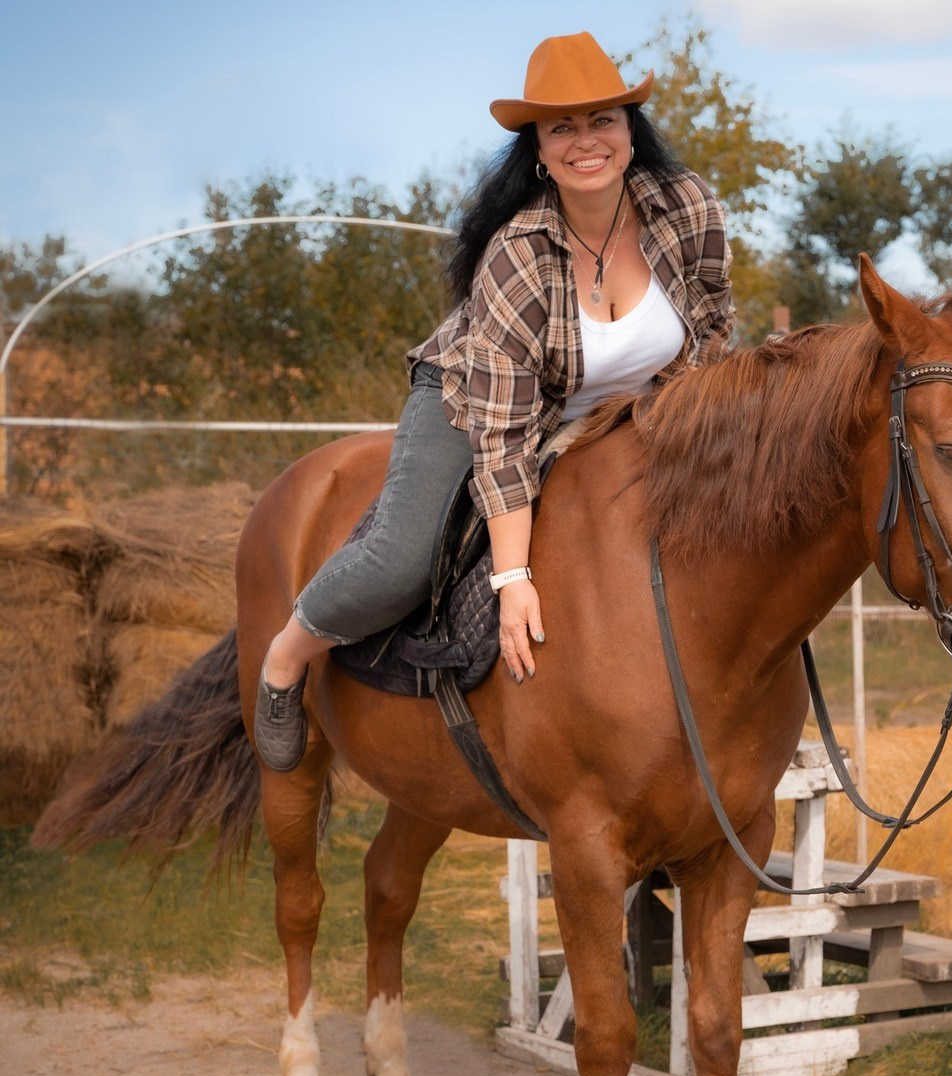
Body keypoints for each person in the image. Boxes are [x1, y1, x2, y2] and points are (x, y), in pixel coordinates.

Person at [254, 30, 735, 771]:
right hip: (477, 403)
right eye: (561, 127)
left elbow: (711, 325)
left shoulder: (688, 207)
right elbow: (505, 436)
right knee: (401, 560)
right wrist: (512, 581)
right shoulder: (518, 252)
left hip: (624, 413)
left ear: (631, 131)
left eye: (603, 120)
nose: (586, 141)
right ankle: (287, 656)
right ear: (537, 149)